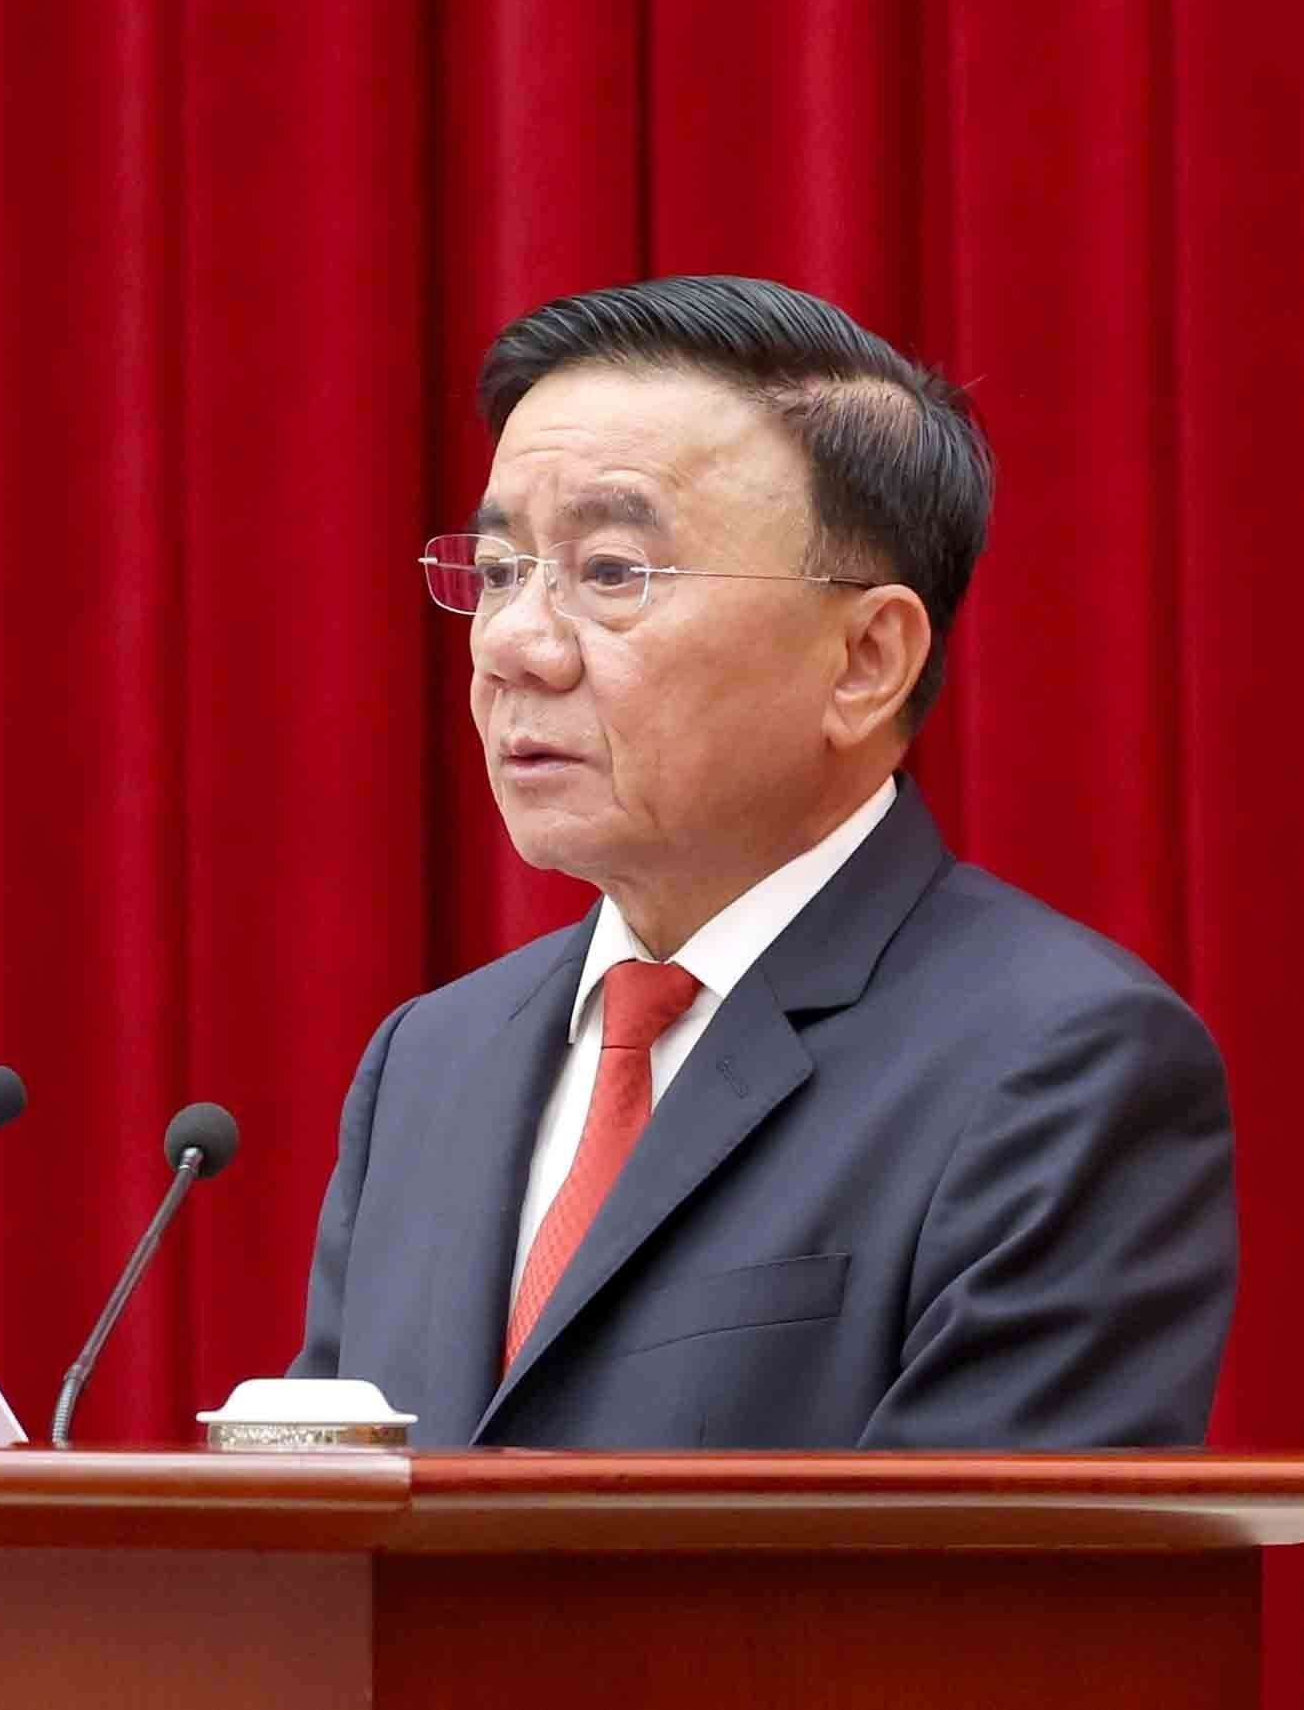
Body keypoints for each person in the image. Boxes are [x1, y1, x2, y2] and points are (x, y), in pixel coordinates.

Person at [290, 275, 1235, 1448]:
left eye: (610, 574)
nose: (514, 647)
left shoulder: (1054, 1064)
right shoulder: (431, 1063)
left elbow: (985, 1609)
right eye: (496, 573)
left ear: (862, 660)